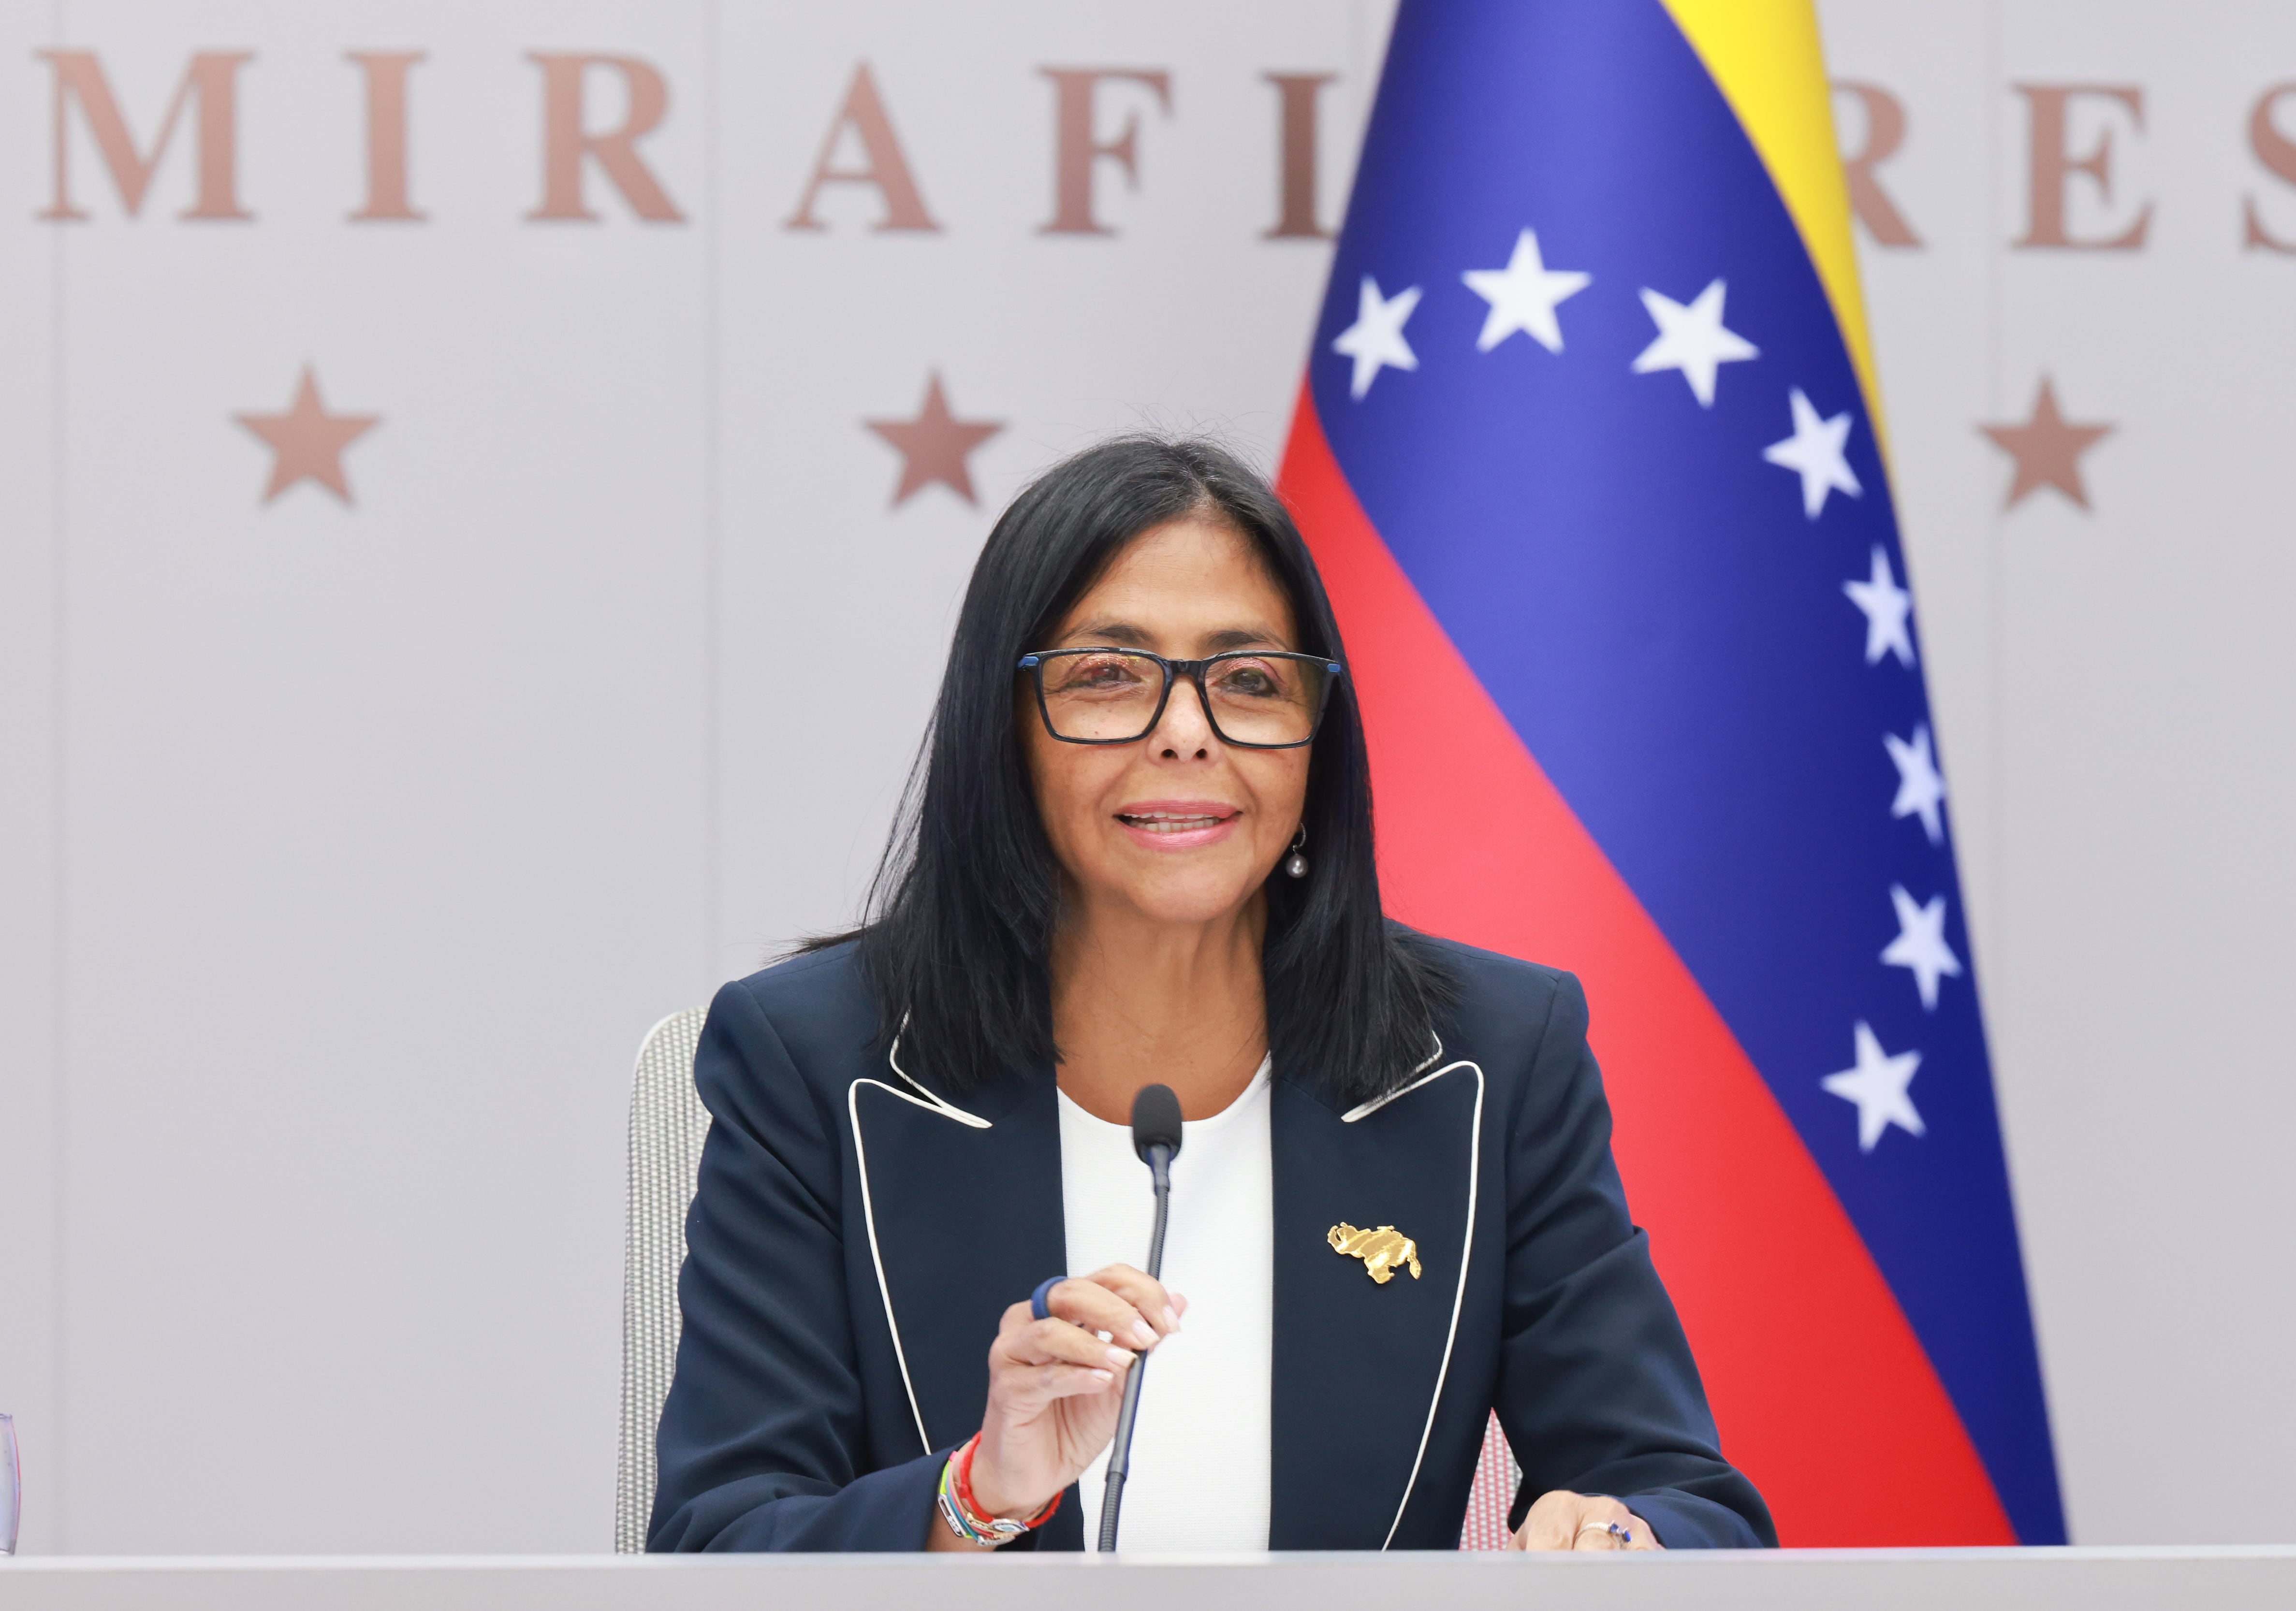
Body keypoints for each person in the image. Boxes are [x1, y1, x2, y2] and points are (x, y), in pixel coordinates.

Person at [647, 436, 1774, 1554]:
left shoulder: (1488, 1054)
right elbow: (718, 1542)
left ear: (1315, 738)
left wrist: (1621, 1541)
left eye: (1246, 680)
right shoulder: (815, 1056)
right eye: (1107, 675)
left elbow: (1681, 1493)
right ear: (1006, 728)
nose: (1187, 733)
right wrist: (976, 1495)